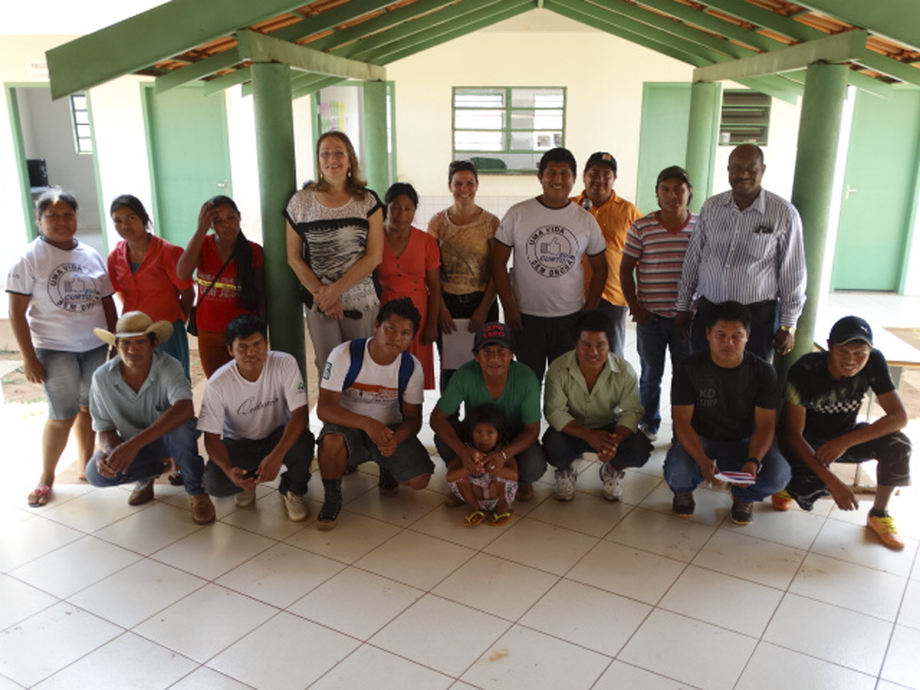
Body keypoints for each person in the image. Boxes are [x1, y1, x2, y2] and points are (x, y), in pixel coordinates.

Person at [6, 189, 117, 507]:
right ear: (39, 220)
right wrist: (28, 358)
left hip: (94, 346)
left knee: (89, 409)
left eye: (68, 214)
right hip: (55, 350)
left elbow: (107, 302)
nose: (61, 221)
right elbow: (16, 312)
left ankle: (86, 468)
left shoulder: (90, 254)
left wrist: (112, 341)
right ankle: (47, 477)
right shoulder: (30, 258)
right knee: (61, 413)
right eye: (53, 216)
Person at [778, 316, 912, 550]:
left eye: (860, 352)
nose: (852, 360)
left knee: (898, 443)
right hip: (806, 443)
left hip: (845, 437)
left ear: (870, 351)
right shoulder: (805, 371)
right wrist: (833, 482)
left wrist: (845, 441)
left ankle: (879, 514)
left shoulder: (874, 361)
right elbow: (792, 436)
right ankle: (788, 486)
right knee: (810, 488)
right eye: (843, 351)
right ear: (830, 347)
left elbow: (899, 417)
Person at [675, 144, 806, 362]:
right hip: (710, 311)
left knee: (752, 383)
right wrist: (683, 307)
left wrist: (788, 325)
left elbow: (793, 273)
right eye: (736, 168)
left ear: (762, 170)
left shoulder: (784, 214)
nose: (743, 174)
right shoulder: (712, 207)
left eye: (751, 169)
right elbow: (693, 259)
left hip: (757, 317)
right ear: (728, 169)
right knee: (703, 377)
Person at [664, 301, 791, 525]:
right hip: (702, 440)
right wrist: (702, 460)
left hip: (744, 442)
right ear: (707, 333)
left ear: (748, 336)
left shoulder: (763, 373)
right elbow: (682, 422)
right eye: (720, 335)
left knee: (779, 475)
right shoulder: (689, 369)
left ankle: (743, 496)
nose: (728, 343)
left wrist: (753, 461)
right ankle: (683, 490)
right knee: (677, 471)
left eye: (736, 336)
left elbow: (765, 426)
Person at [84, 312, 215, 524]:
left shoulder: (168, 366)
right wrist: (111, 453)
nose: (132, 349)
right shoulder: (101, 377)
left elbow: (184, 408)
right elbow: (104, 427)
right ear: (116, 345)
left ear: (153, 344)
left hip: (167, 440)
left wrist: (133, 445)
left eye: (140, 342)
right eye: (125, 343)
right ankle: (149, 474)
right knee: (95, 473)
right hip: (134, 445)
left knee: (183, 430)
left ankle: (197, 491)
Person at [315, 298, 434, 530]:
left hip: (389, 430)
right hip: (347, 428)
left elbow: (413, 419)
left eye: (405, 333)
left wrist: (395, 440)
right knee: (330, 441)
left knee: (420, 480)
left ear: (411, 338)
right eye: (390, 328)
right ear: (376, 326)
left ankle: (386, 466)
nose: (396, 337)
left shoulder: (411, 367)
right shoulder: (345, 355)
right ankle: (332, 495)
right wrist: (368, 424)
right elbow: (324, 408)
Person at [492, 147, 608, 381]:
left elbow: (601, 267)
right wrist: (509, 306)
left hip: (570, 317)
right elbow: (497, 262)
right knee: (527, 380)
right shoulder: (518, 213)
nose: (558, 180)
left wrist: (590, 308)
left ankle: (560, 420)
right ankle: (529, 419)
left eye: (565, 174)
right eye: (551, 173)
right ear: (540, 177)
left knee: (563, 383)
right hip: (525, 317)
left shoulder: (585, 220)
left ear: (574, 179)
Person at [285, 131, 384, 377]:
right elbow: (293, 258)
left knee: (362, 367)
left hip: (361, 302)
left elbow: (374, 256)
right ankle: (332, 418)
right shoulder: (300, 202)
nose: (333, 159)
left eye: (339, 152)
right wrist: (325, 298)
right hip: (320, 304)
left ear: (350, 159)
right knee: (329, 370)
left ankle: (361, 417)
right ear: (318, 160)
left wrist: (334, 291)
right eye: (325, 153)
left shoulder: (367, 201)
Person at [198, 315, 314, 521]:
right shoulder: (217, 384)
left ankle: (292, 490)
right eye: (242, 347)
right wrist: (228, 469)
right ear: (230, 350)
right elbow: (212, 439)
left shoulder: (285, 363)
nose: (251, 353)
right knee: (214, 482)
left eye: (257, 344)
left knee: (303, 440)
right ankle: (245, 482)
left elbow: (299, 415)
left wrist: (276, 456)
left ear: (266, 344)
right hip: (240, 441)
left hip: (277, 434)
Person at [620, 165, 698, 440]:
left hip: (687, 320)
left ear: (689, 192)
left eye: (679, 189)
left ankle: (682, 429)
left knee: (686, 376)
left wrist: (691, 310)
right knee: (651, 374)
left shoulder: (701, 227)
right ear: (657, 193)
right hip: (650, 318)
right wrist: (635, 307)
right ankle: (649, 422)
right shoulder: (642, 226)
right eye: (665, 189)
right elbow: (626, 268)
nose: (672, 195)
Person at [431, 322, 546, 503]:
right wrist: (463, 452)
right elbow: (437, 419)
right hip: (477, 438)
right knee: (442, 438)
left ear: (512, 354)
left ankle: (519, 483)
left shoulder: (526, 378)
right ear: (476, 356)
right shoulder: (464, 374)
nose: (494, 359)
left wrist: (504, 454)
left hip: (512, 437)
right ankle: (465, 481)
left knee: (534, 465)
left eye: (501, 351)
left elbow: (532, 430)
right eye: (486, 352)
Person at [543, 310, 652, 502]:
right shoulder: (558, 369)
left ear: (609, 345)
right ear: (576, 344)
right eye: (586, 345)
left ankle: (612, 469)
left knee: (640, 449)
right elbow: (555, 412)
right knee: (553, 446)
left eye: (600, 345)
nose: (593, 352)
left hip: (609, 429)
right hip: (573, 428)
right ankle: (565, 470)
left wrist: (613, 443)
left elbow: (632, 412)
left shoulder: (625, 371)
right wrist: (588, 435)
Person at [428, 160, 500, 391]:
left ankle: (478, 421)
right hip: (448, 304)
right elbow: (430, 271)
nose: (464, 189)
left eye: (470, 183)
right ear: (450, 186)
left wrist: (482, 309)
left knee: (484, 366)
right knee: (451, 367)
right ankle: (448, 421)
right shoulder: (438, 222)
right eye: (458, 183)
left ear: (477, 185)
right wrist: (440, 308)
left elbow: (496, 271)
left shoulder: (490, 223)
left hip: (483, 303)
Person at [107, 194, 194, 379]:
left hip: (166, 330)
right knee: (140, 382)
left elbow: (187, 294)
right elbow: (120, 294)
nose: (125, 225)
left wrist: (179, 319)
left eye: (131, 217)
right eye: (118, 221)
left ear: (144, 218)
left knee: (172, 382)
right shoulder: (114, 257)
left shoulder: (169, 252)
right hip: (132, 333)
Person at [177, 195, 264, 378]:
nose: (227, 224)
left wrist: (262, 335)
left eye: (231, 217)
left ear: (239, 217)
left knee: (247, 385)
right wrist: (201, 229)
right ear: (210, 224)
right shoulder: (202, 246)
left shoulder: (254, 251)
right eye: (218, 220)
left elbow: (262, 296)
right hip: (209, 333)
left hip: (244, 336)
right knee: (218, 386)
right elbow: (182, 273)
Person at [572, 152, 641, 357]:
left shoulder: (629, 211)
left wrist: (638, 297)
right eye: (594, 173)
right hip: (573, 294)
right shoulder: (569, 206)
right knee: (575, 352)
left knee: (612, 354)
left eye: (606, 174)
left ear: (614, 178)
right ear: (584, 176)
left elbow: (641, 257)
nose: (599, 179)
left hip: (613, 294)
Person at [379, 182, 441, 389]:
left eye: (408, 208)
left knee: (413, 377)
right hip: (384, 314)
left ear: (415, 210)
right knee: (384, 373)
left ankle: (411, 420)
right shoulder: (374, 240)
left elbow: (435, 287)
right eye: (395, 207)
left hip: (418, 317)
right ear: (386, 208)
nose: (401, 214)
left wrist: (432, 324)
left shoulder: (426, 242)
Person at [446, 404, 518, 527]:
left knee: (503, 476)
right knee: (460, 477)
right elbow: (450, 477)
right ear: (471, 432)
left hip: (497, 495)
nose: (483, 438)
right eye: (478, 432)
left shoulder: (502, 450)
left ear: (499, 435)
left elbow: (514, 475)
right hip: (475, 496)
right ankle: (475, 507)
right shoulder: (467, 450)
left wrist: (495, 469)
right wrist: (468, 469)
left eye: (490, 432)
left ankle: (502, 507)